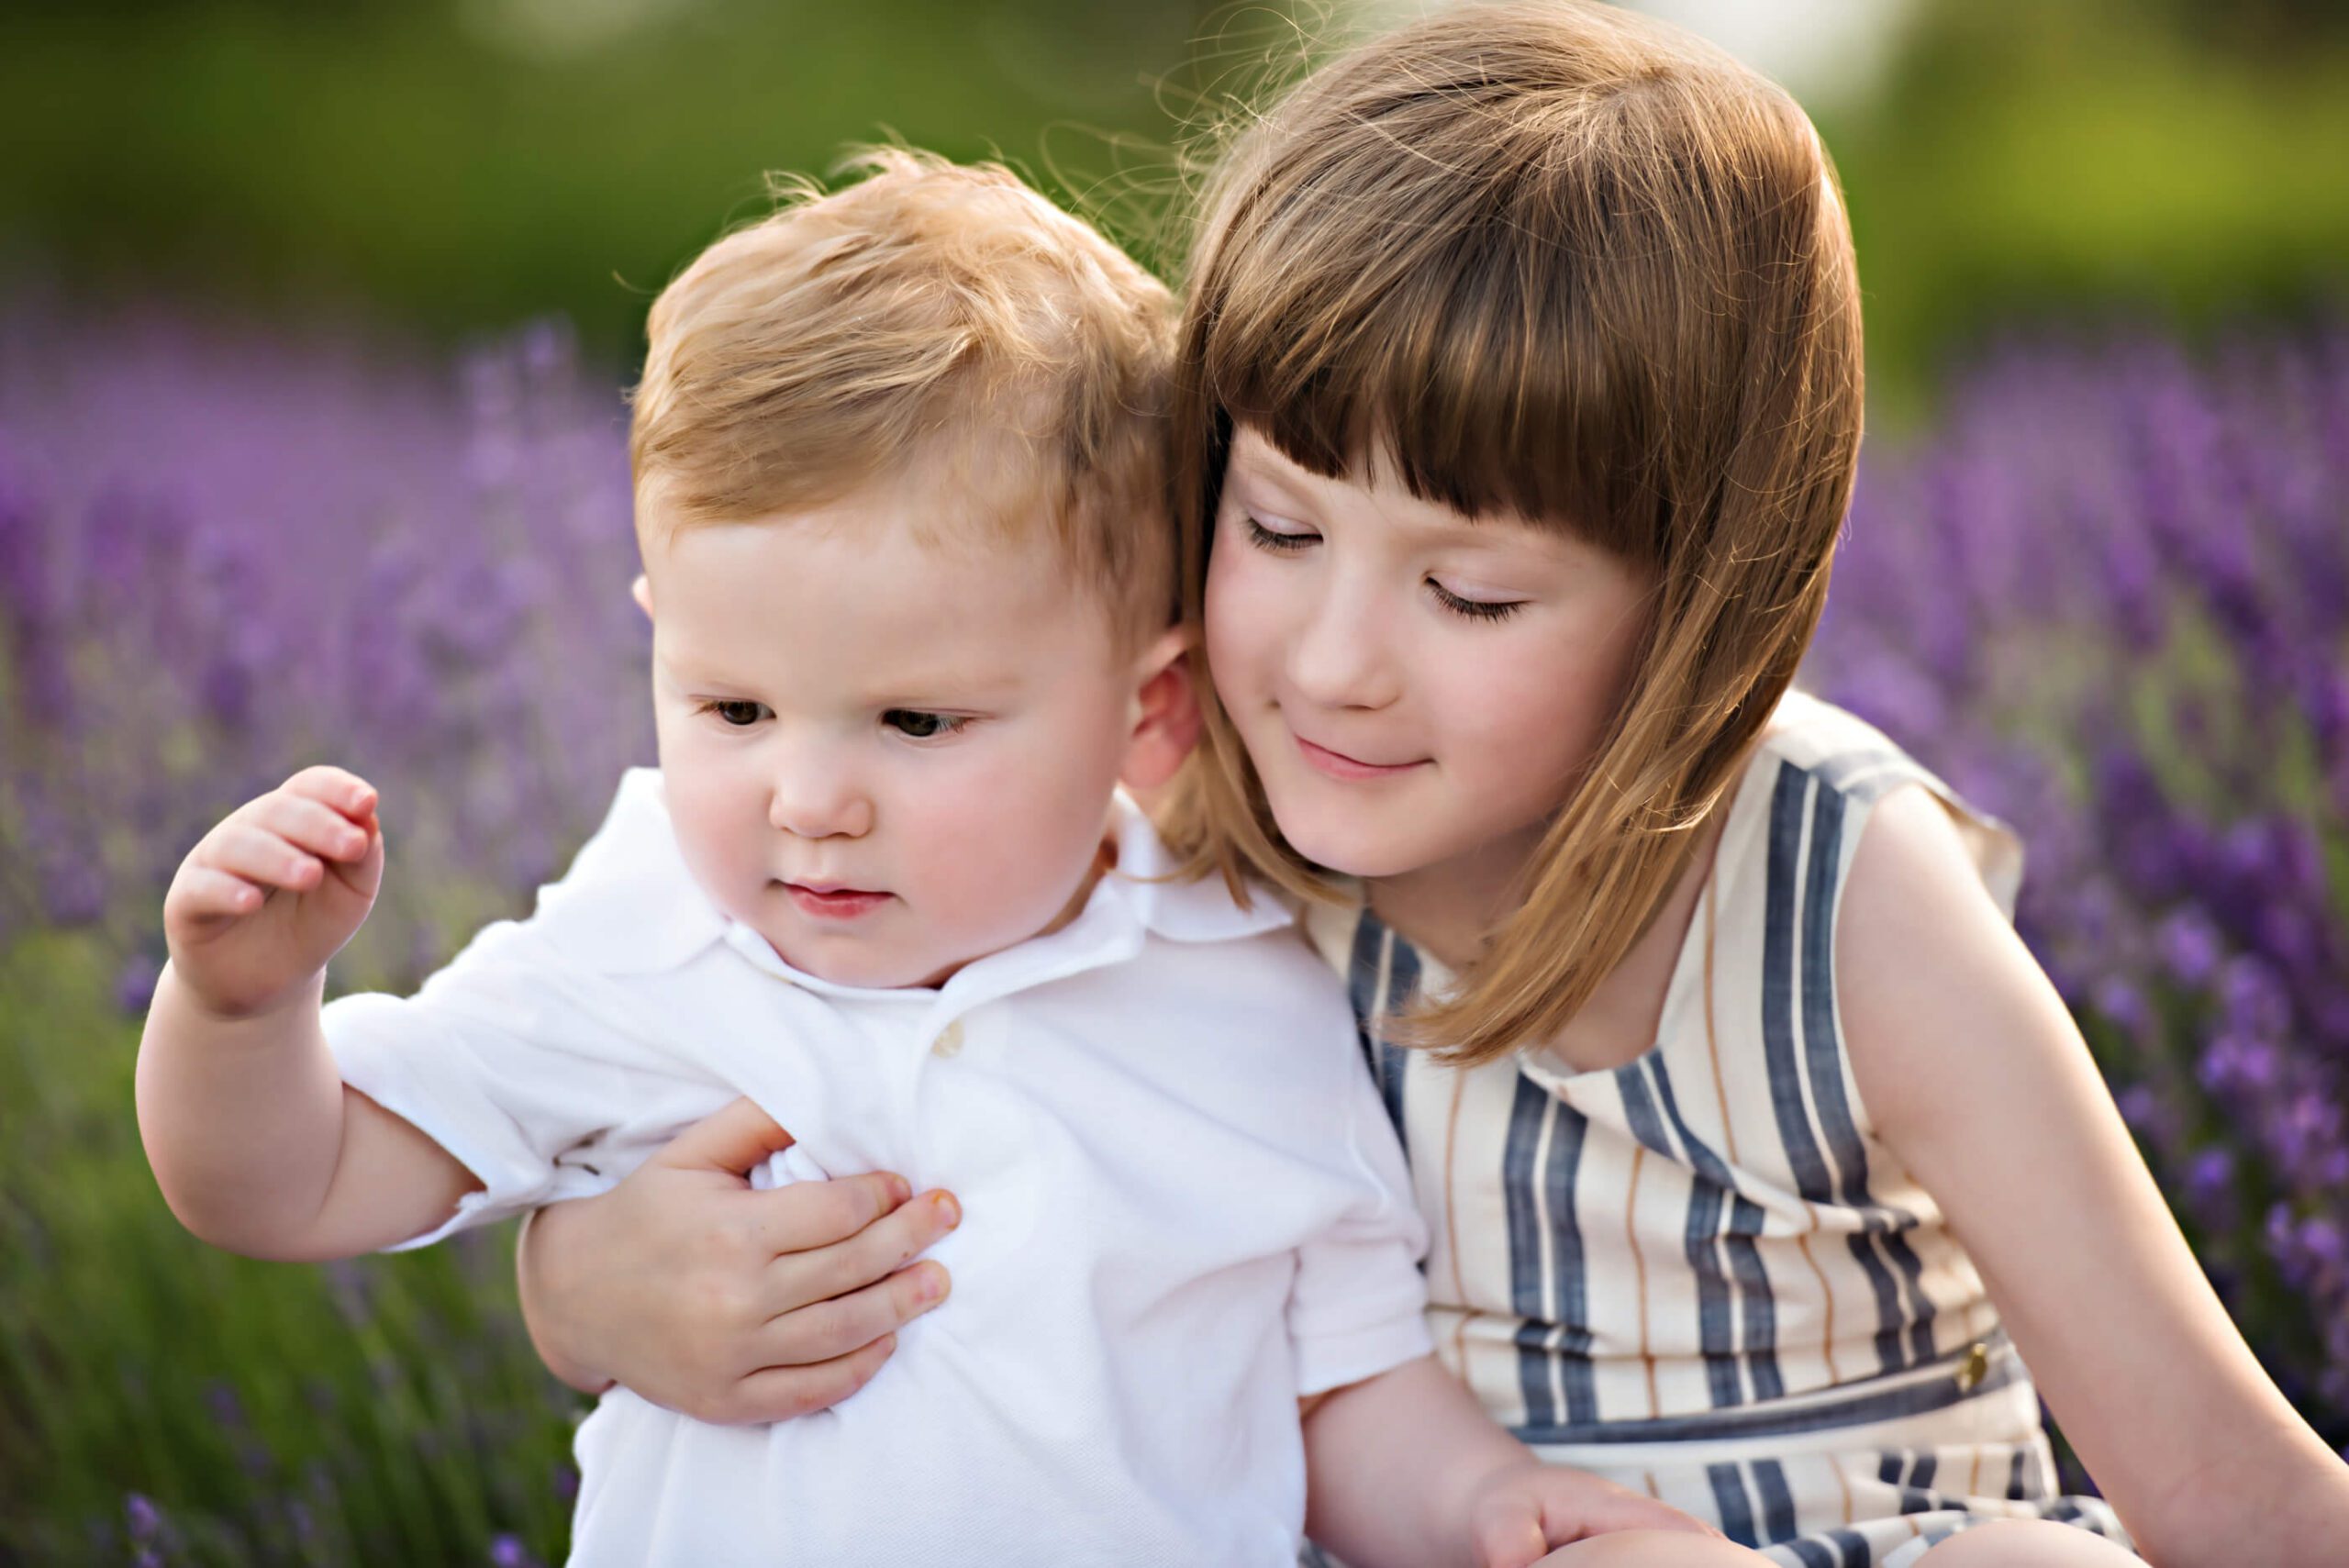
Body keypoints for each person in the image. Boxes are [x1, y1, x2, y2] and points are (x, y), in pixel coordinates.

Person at [510, 6, 2349, 1566]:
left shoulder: (1835, 902)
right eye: (1278, 524)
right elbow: (806, 1088)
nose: (1330, 663)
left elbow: (2224, 1489)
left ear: (1693, 599)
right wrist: (577, 1287)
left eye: (1467, 590)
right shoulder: (1152, 851)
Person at [133, 152, 1727, 1567]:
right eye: (733, 704)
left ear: (1147, 708)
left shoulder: (1240, 980)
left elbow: (1340, 1387)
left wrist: (1483, 1512)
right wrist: (240, 1011)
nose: (808, 797)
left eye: (915, 720)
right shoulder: (649, 941)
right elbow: (291, 1177)